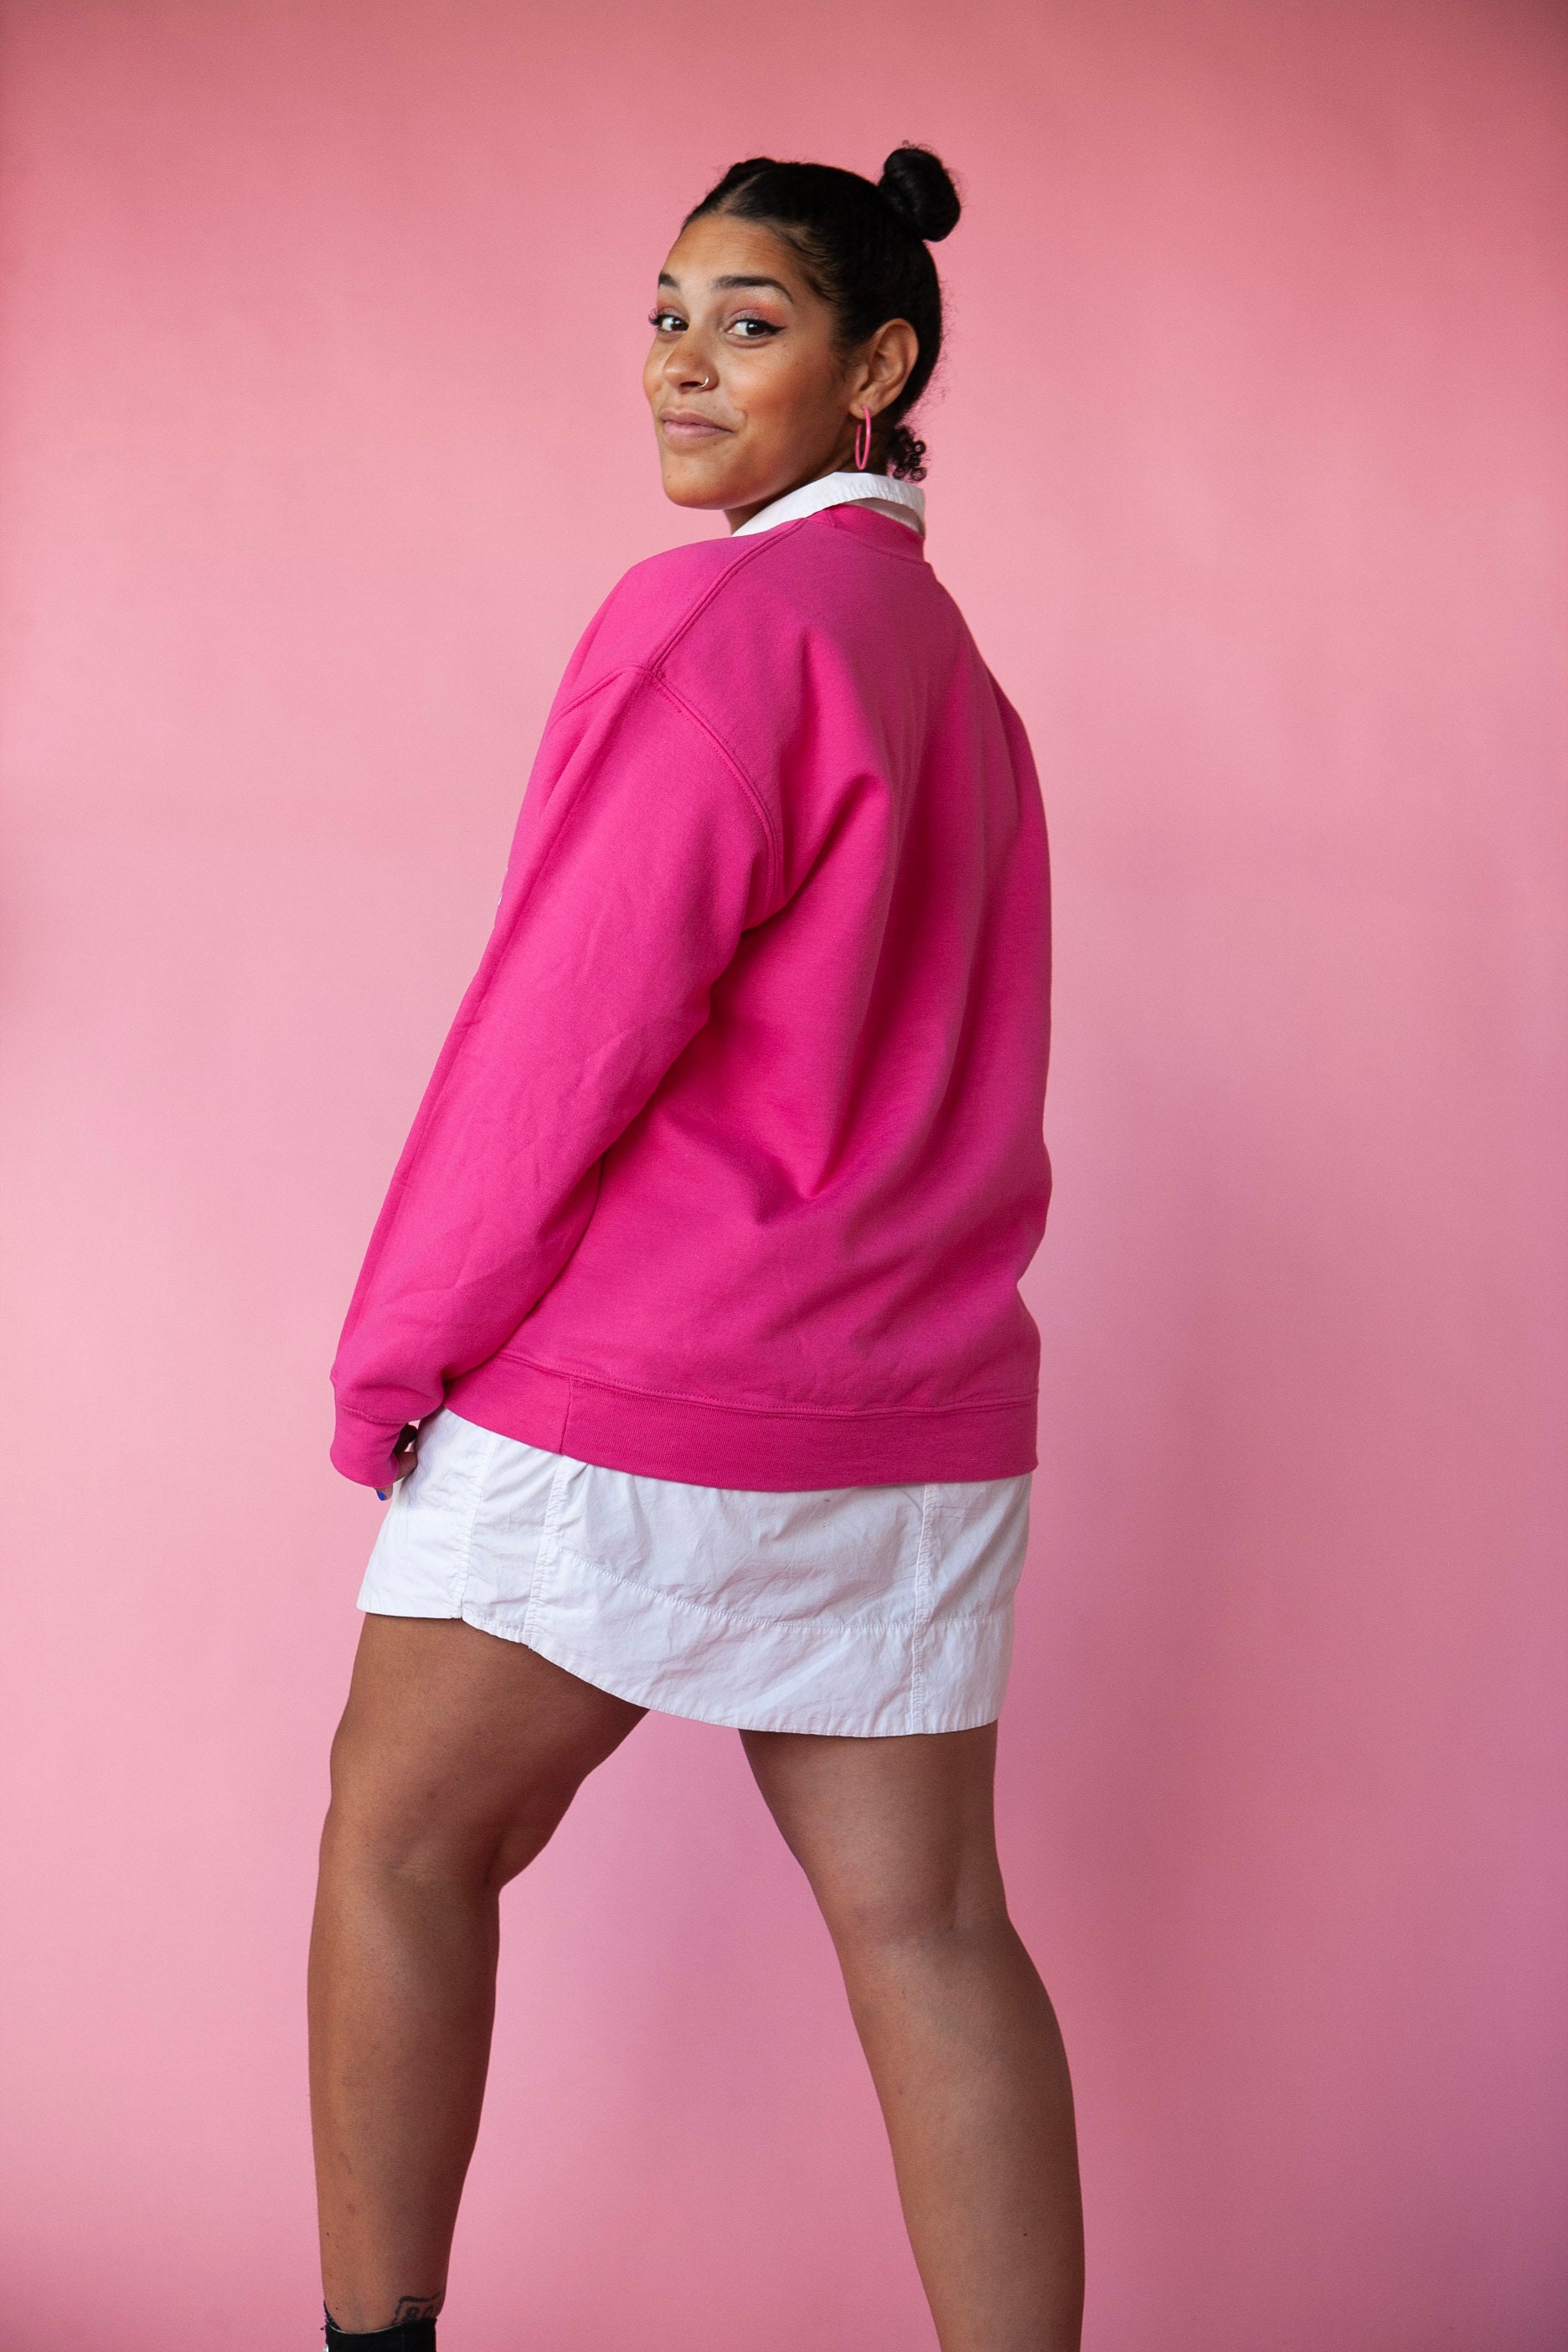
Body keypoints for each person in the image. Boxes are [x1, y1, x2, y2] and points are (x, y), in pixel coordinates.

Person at [311, 145, 1082, 2352]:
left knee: (399, 1845)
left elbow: (558, 1039)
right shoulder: (953, 673)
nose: (680, 363)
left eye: (750, 324)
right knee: (932, 1932)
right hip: (918, 1419)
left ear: (878, 366)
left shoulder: (723, 627)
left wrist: (395, 1363)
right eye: (665, 315)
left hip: (650, 1396)